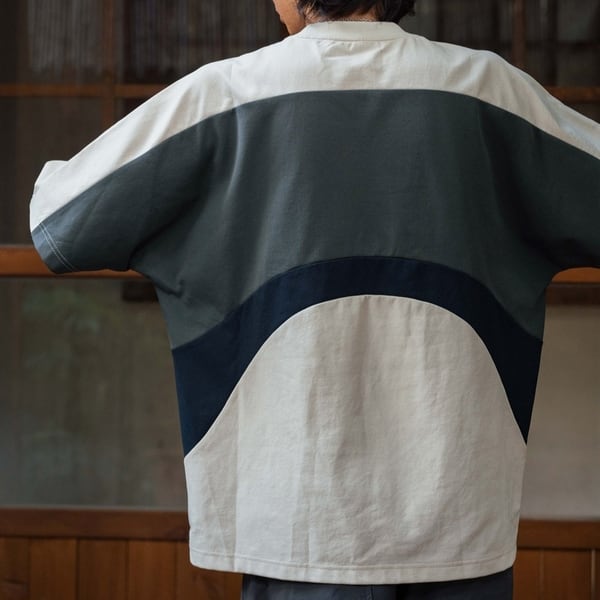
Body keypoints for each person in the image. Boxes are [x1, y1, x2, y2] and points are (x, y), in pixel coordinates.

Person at [30, 0, 599, 598]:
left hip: (296, 524)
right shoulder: (488, 90)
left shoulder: (225, 94)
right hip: (458, 518)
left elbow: (58, 221)